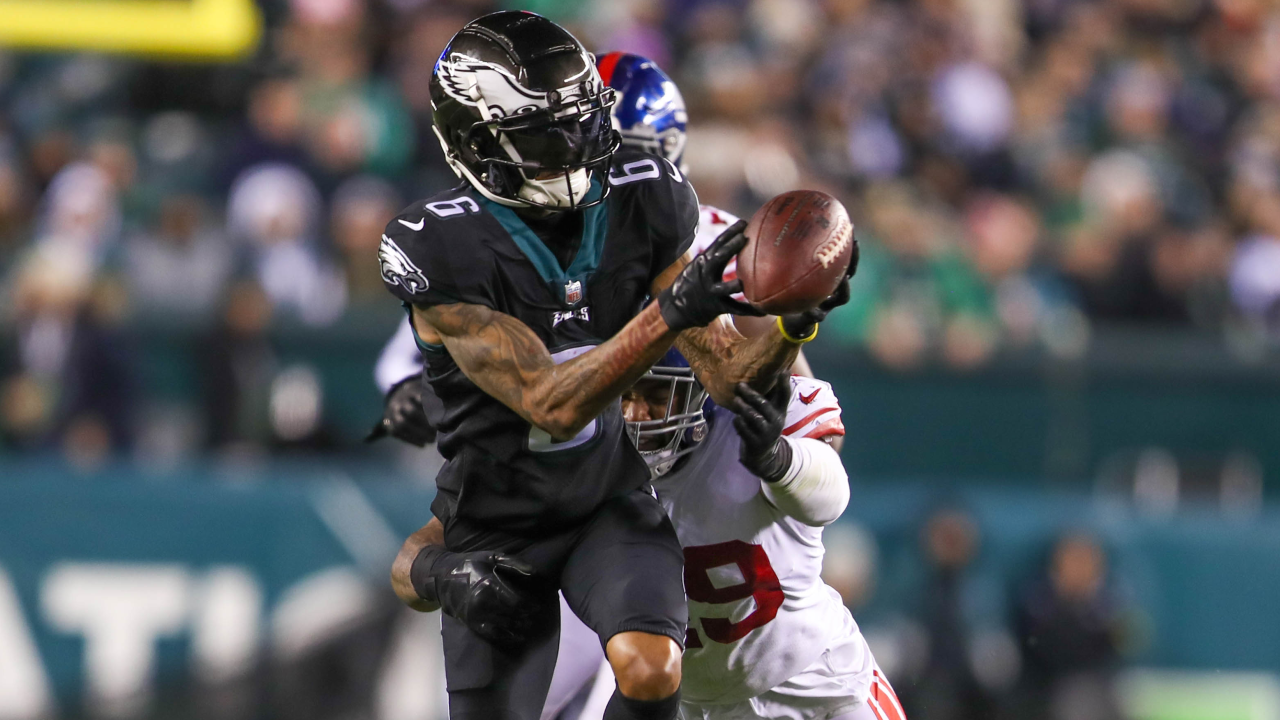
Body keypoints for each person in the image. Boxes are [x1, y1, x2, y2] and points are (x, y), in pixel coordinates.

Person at [377, 15, 851, 720]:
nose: (579, 152)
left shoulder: (648, 199)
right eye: (549, 136)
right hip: (508, 501)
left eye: (587, 126)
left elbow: (728, 379)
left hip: (611, 491)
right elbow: (550, 403)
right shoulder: (443, 246)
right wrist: (671, 314)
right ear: (478, 143)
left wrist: (791, 324)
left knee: (651, 666)